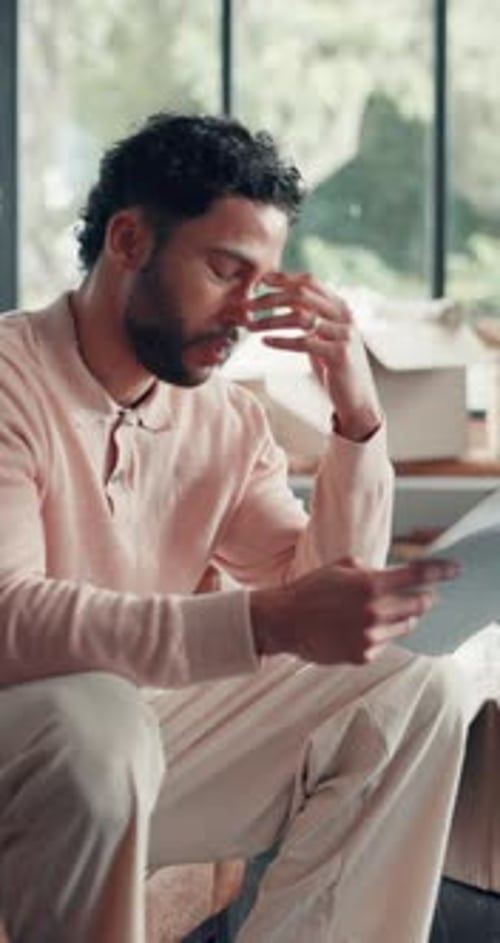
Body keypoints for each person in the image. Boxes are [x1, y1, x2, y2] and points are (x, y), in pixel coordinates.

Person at [0, 111, 486, 943]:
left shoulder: (225, 421)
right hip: (35, 739)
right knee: (99, 721)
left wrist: (356, 409)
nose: (243, 311)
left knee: (413, 692)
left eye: (259, 282)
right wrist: (261, 620)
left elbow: (331, 610)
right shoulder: (11, 379)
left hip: (139, 745)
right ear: (128, 241)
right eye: (225, 270)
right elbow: (10, 617)